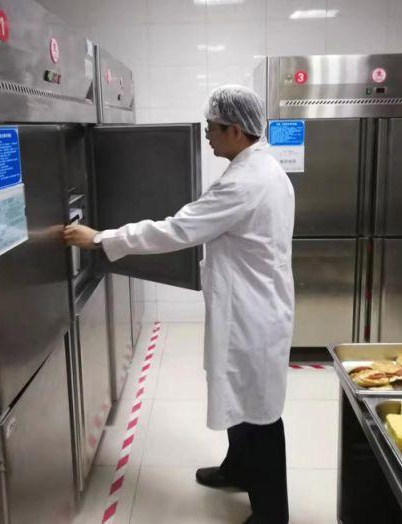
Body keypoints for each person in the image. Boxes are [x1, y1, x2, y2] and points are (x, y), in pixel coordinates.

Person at [64, 85, 295, 524]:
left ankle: (272, 514)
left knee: (259, 410)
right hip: (250, 304)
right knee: (240, 394)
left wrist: (100, 239)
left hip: (252, 313)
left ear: (235, 130)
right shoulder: (262, 167)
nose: (207, 135)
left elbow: (176, 230)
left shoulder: (245, 182)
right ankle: (238, 468)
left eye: (212, 127)